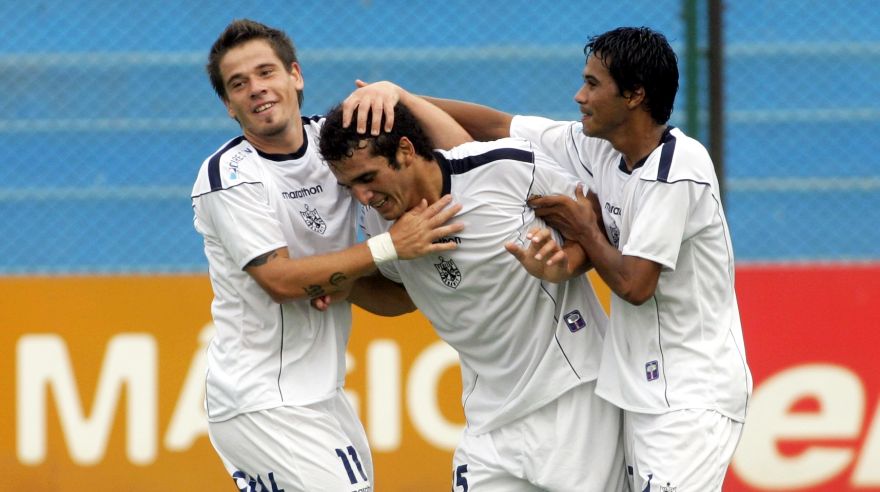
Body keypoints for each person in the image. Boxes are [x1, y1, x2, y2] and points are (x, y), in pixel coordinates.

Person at [418, 26, 752, 492]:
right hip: (639, 389)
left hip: (692, 394)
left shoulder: (679, 170)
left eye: (593, 84)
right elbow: (498, 126)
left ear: (634, 95)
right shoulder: (598, 147)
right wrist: (400, 99)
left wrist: (584, 230)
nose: (579, 95)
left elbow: (636, 285)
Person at [190, 19, 464, 491]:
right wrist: (390, 247)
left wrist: (398, 95)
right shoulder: (229, 174)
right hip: (262, 397)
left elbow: (462, 155)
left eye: (266, 72)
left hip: (322, 392)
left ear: (295, 75)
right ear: (228, 104)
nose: (257, 89)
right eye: (239, 84)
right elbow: (278, 281)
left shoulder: (337, 146)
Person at [318, 96, 627, 492]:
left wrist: (564, 262)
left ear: (406, 151)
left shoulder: (505, 167)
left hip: (571, 397)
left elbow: (593, 222)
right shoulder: (381, 224)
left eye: (367, 178)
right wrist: (349, 286)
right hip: (487, 421)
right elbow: (404, 296)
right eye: (350, 186)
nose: (362, 196)